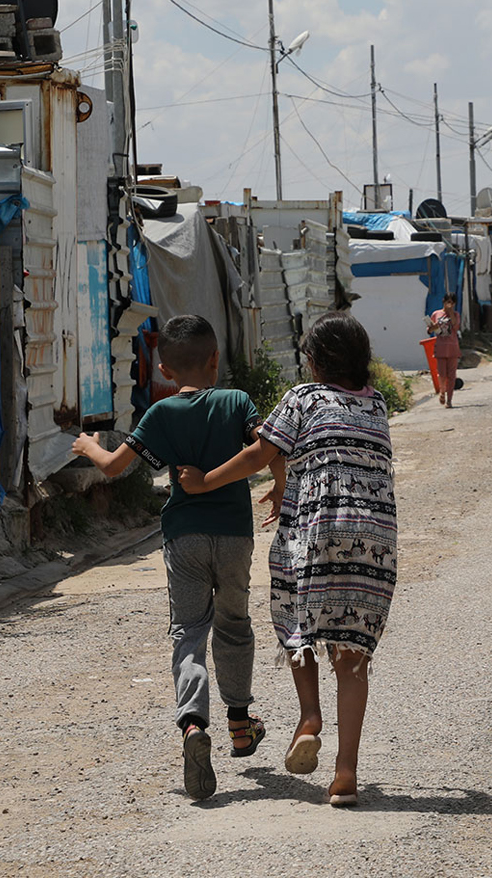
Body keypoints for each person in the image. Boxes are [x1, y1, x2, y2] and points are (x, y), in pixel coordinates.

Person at [178, 312, 396, 807]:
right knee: (352, 656)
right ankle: (345, 774)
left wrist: (205, 481)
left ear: (316, 361)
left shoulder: (303, 397)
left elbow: (260, 453)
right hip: (376, 536)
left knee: (297, 620)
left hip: (317, 530)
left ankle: (310, 717)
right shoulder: (378, 404)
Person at [70, 314, 284, 801]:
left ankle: (192, 725)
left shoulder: (160, 414)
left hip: (182, 538)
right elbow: (270, 450)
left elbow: (111, 469)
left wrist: (88, 445)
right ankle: (239, 722)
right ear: (215, 359)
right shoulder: (237, 402)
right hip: (233, 536)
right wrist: (279, 487)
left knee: (189, 630)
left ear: (163, 369)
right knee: (234, 624)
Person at [428, 294, 462, 407]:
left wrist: (450, 311)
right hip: (440, 346)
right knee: (442, 373)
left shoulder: (456, 315)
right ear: (443, 301)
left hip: (452, 346)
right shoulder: (436, 314)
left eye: (452, 302)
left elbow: (455, 326)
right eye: (447, 301)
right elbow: (429, 330)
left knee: (452, 375)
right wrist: (433, 327)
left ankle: (449, 400)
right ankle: (442, 391)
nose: (449, 304)